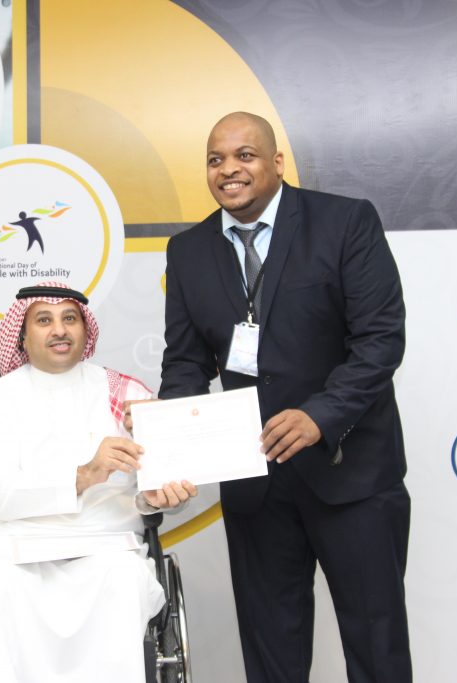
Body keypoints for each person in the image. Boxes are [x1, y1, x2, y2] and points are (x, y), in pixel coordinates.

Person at [159, 112, 411, 683]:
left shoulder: (345, 222)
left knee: (377, 649)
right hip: (255, 488)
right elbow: (186, 364)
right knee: (272, 655)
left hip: (352, 477)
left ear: (276, 162)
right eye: (216, 159)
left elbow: (380, 340)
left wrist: (321, 415)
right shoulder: (188, 250)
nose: (229, 169)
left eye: (244, 155)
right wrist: (172, 446)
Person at [0, 282, 197, 683]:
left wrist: (157, 497)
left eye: (69, 318)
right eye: (44, 320)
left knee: (124, 582)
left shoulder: (127, 394)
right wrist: (84, 475)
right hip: (12, 551)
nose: (59, 330)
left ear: (85, 329)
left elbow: (162, 488)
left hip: (107, 548)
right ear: (22, 335)